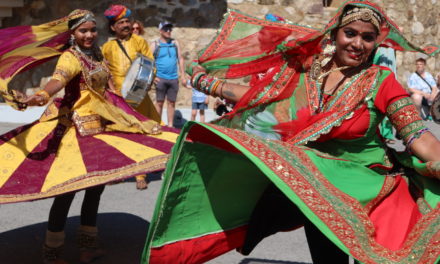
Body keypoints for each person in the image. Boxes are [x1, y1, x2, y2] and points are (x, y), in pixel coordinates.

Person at [141, 2, 440, 264]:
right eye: (350, 34)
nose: (358, 44)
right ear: (335, 33)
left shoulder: (380, 81)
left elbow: (418, 134)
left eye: (368, 38)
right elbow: (262, 97)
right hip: (317, 187)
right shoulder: (308, 75)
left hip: (365, 185)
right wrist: (207, 83)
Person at [0, 9, 178, 264]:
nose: (89, 35)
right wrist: (40, 96)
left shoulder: (96, 54)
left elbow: (107, 90)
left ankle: (87, 248)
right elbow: (56, 82)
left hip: (99, 129)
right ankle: (51, 253)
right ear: (73, 33)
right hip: (73, 131)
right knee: (66, 192)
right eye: (83, 30)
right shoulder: (70, 58)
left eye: (93, 30)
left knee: (95, 189)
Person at [102, 4, 161, 190]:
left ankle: (140, 174)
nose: (126, 25)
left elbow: (150, 64)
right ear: (113, 27)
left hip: (139, 95)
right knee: (119, 135)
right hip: (118, 97)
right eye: (121, 22)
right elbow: (104, 71)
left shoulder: (139, 41)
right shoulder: (107, 47)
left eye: (128, 21)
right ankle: (120, 172)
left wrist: (146, 82)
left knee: (141, 131)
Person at [151, 21, 186, 127]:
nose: (169, 31)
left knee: (171, 102)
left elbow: (180, 59)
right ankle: (157, 125)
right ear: (160, 31)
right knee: (159, 102)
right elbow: (149, 61)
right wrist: (153, 77)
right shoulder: (155, 44)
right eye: (166, 29)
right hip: (160, 78)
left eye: (170, 29)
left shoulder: (175, 43)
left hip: (173, 78)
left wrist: (183, 76)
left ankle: (170, 125)